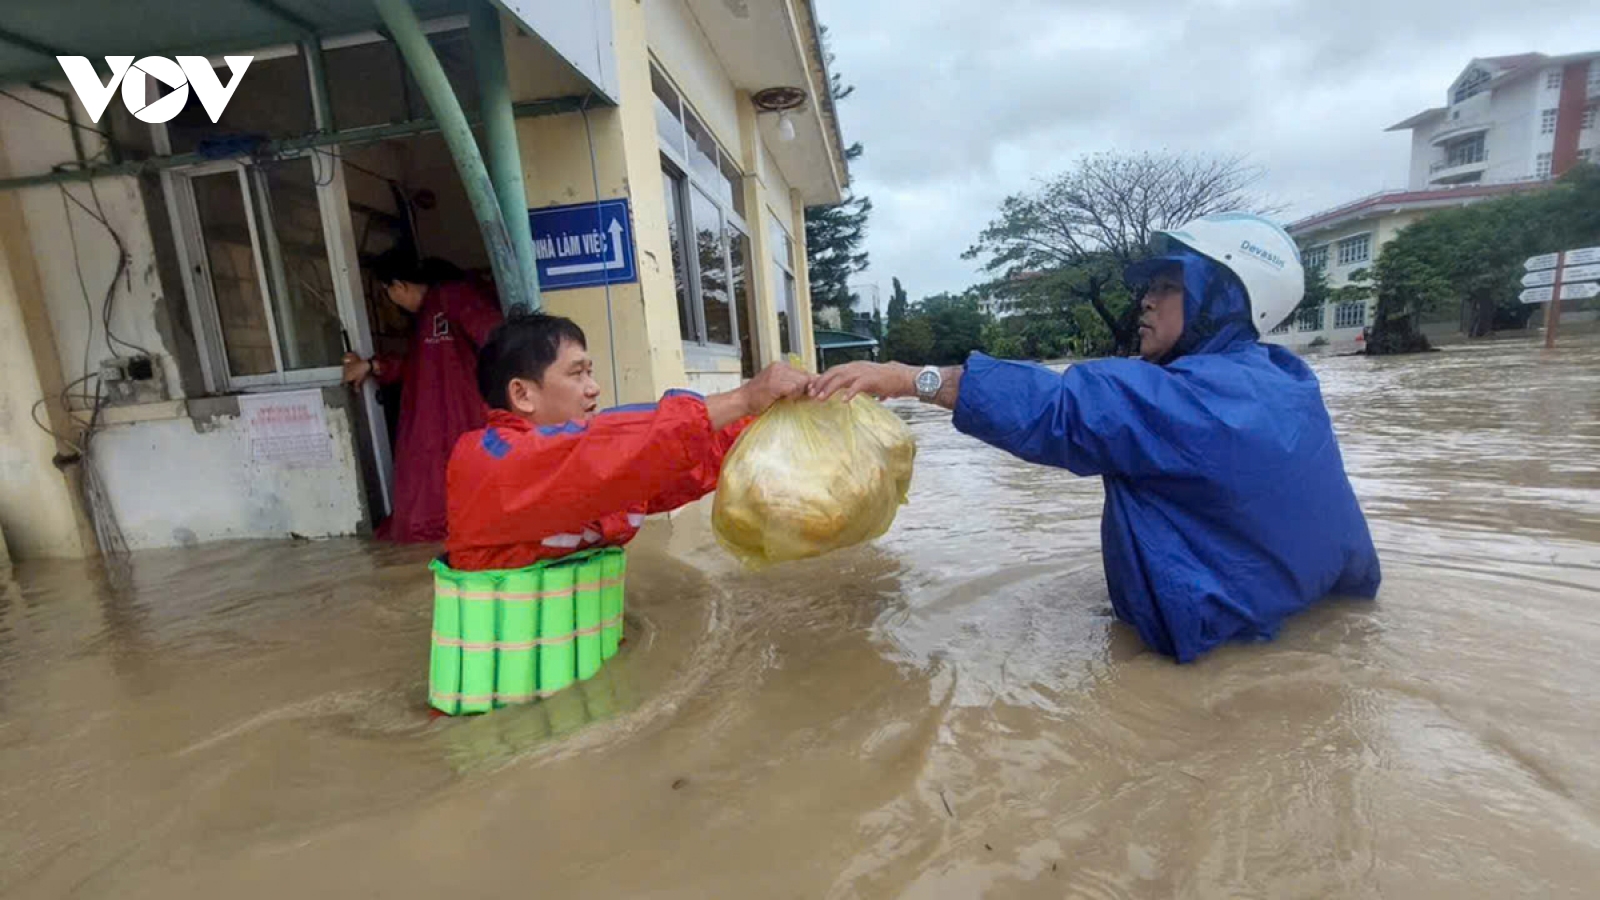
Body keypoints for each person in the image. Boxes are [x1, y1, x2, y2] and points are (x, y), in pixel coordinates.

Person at [812, 212, 1381, 662]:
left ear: (1223, 297)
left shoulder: (1183, 400)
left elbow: (1056, 407)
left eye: (1169, 286)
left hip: (1221, 655)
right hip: (1313, 624)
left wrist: (910, 378)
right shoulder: (1289, 379)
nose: (1146, 301)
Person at [445, 312, 812, 571]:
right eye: (577, 373)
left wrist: (766, 421)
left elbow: (682, 465)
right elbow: (600, 453)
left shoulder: (599, 469)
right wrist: (742, 398)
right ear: (522, 395)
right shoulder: (485, 459)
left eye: (591, 371)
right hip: (509, 676)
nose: (594, 387)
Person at [343, 252, 504, 543]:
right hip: (437, 421)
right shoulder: (430, 312)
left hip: (459, 415)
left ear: (398, 287)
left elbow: (496, 339)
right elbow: (419, 365)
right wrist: (372, 365)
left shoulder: (453, 298)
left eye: (388, 292)